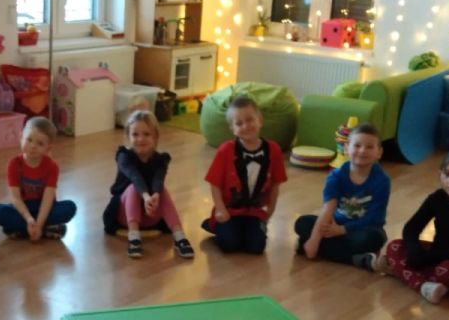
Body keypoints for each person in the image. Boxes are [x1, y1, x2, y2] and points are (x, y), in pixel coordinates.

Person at [373, 146, 449, 304]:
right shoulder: (438, 198)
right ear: (440, 174)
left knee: (448, 270)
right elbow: (411, 227)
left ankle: (406, 274)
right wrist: (414, 249)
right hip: (437, 254)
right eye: (447, 174)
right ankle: (425, 284)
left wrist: (429, 257)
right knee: (395, 246)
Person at [294, 122, 390, 267]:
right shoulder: (336, 176)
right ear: (346, 148)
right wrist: (314, 239)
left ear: (379, 152)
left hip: (363, 228)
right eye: (357, 145)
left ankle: (316, 248)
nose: (362, 150)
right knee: (302, 223)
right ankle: (359, 259)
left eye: (369, 147)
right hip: (335, 224)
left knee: (374, 238)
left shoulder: (382, 180)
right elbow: (328, 209)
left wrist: (342, 230)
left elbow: (374, 218)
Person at [102, 110, 194, 259]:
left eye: (146, 134)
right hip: (125, 215)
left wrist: (155, 195)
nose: (141, 139)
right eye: (135, 134)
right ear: (128, 137)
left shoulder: (161, 160)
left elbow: (158, 180)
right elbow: (135, 176)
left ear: (155, 137)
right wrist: (145, 196)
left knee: (161, 190)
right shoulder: (124, 156)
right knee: (133, 188)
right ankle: (134, 238)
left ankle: (180, 237)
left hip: (150, 213)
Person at [201, 96, 287, 254]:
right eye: (239, 123)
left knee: (256, 247)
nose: (246, 126)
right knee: (229, 245)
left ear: (260, 120)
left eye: (250, 120)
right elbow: (214, 183)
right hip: (229, 210)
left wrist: (270, 211)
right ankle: (216, 226)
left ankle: (241, 231)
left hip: (254, 211)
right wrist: (220, 209)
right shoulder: (226, 150)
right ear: (232, 129)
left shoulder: (273, 150)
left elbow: (276, 184)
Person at [0, 117, 78, 241]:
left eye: (40, 143)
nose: (33, 146)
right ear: (21, 138)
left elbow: (48, 199)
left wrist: (39, 224)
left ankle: (22, 229)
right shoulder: (14, 164)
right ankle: (47, 228)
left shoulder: (52, 167)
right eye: (29, 140)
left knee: (70, 207)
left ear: (48, 148)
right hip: (23, 208)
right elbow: (15, 197)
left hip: (45, 208)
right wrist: (29, 219)